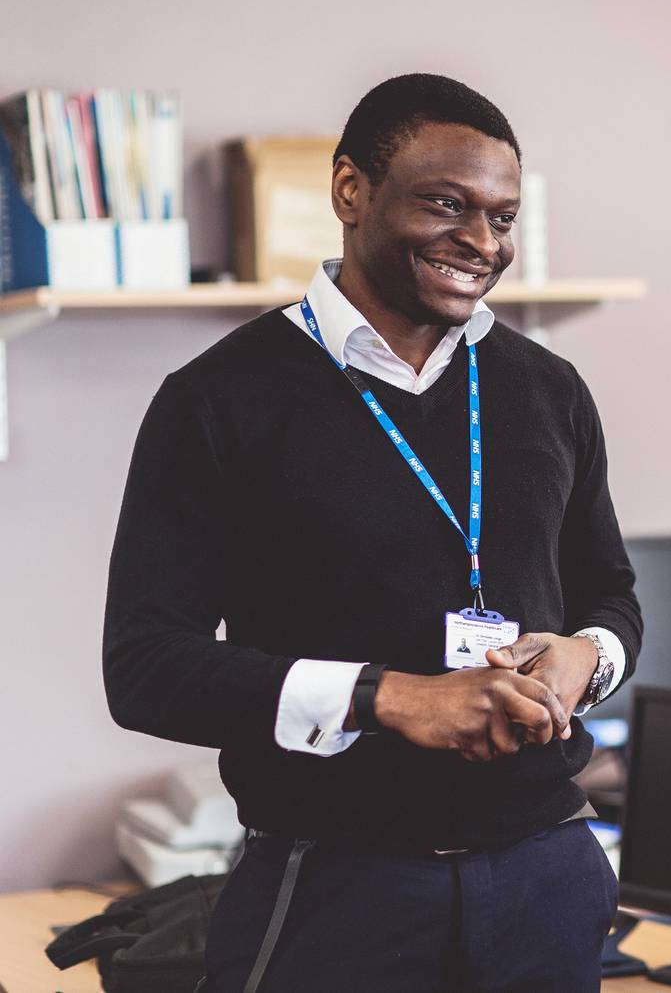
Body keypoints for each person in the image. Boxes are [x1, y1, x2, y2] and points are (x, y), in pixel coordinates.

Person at [103, 73, 642, 992]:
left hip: (547, 873)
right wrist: (388, 697)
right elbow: (145, 667)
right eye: (447, 205)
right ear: (351, 191)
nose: (481, 243)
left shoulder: (551, 391)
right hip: (336, 885)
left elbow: (612, 597)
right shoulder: (217, 401)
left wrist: (583, 659)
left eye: (503, 218)